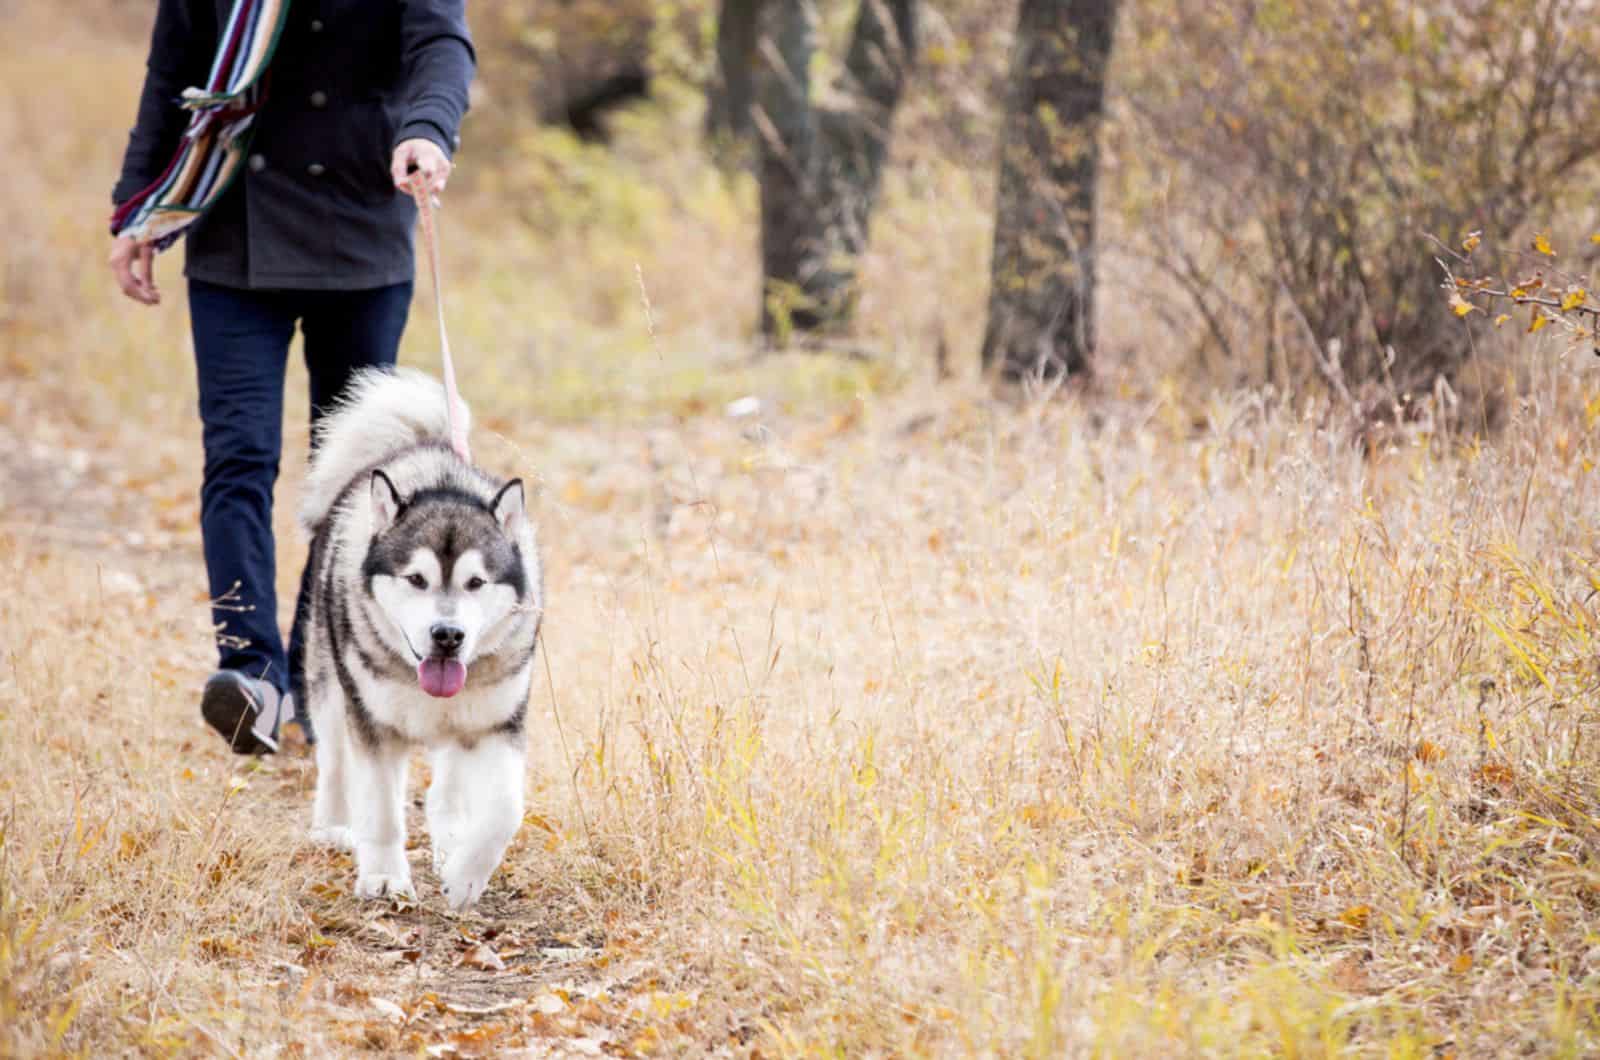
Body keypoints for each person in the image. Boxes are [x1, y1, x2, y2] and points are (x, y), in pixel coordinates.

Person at [109, 0, 475, 754]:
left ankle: (312, 672)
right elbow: (171, 74)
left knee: (350, 479)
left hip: (363, 230)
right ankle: (250, 673)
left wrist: (427, 131)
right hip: (233, 226)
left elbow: (441, 45)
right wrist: (137, 206)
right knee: (239, 455)